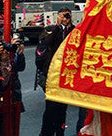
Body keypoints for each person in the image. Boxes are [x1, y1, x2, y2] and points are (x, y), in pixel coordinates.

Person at [37, 8, 74, 136]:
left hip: (66, 73)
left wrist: (69, 26)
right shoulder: (51, 29)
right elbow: (47, 41)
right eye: (62, 15)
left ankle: (60, 132)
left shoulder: (73, 30)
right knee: (51, 107)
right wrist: (58, 26)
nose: (65, 18)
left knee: (62, 108)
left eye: (67, 16)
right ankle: (46, 133)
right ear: (57, 16)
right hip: (51, 73)